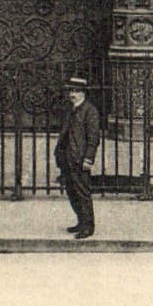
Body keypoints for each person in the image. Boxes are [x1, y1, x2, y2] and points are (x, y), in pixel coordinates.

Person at [54, 75, 101, 240]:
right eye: (71, 91)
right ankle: (81, 222)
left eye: (76, 91)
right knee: (71, 192)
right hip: (67, 157)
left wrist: (88, 159)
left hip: (80, 159)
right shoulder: (70, 109)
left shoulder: (90, 111)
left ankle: (89, 226)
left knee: (83, 193)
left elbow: (93, 138)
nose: (72, 94)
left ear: (83, 93)